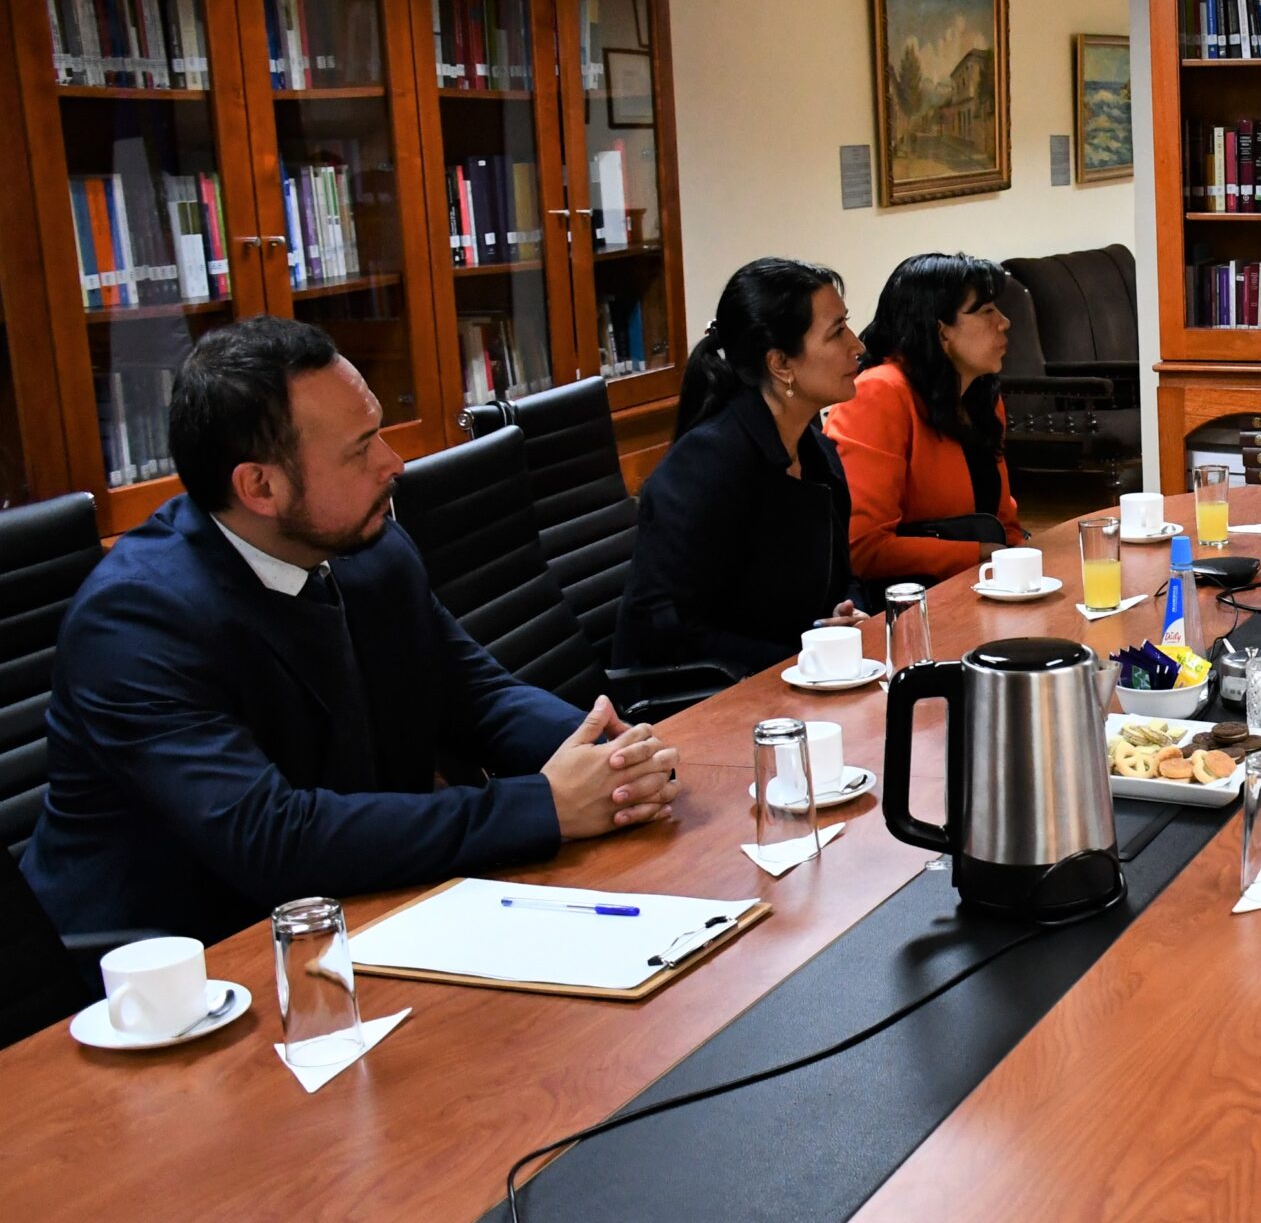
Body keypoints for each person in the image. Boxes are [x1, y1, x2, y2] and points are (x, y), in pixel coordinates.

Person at [20, 319, 680, 944]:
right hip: (176, 968)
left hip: (353, 910)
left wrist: (616, 761)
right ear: (260, 487)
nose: (394, 464)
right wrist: (544, 805)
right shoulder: (136, 621)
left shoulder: (369, 548)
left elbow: (477, 696)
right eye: (360, 449)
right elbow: (271, 839)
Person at [616, 258, 866, 679]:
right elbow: (665, 632)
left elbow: (843, 576)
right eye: (837, 332)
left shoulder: (816, 451)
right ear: (780, 364)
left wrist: (850, 611)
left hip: (798, 674)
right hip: (707, 693)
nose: (857, 346)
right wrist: (802, 654)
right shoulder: (705, 465)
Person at [824, 252, 1027, 587]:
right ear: (941, 331)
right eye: (987, 311)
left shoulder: (981, 394)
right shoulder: (879, 392)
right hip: (905, 599)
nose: (1004, 322)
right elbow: (863, 547)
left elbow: (1004, 521)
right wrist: (980, 555)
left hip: (981, 584)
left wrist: (1021, 561)